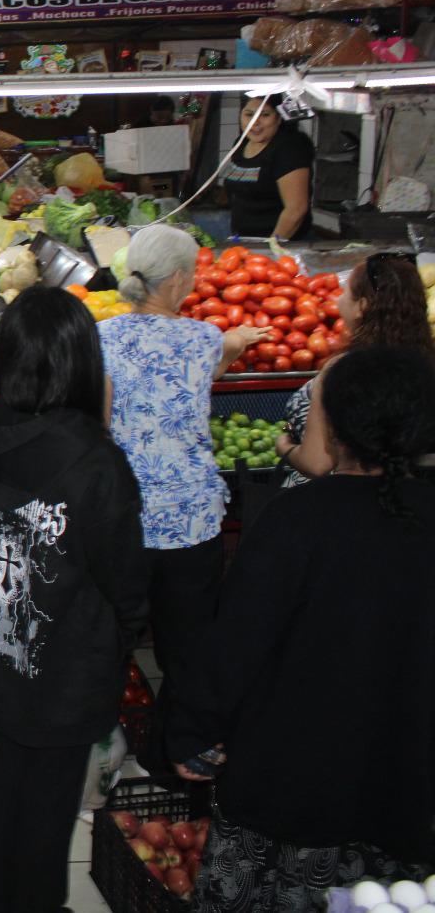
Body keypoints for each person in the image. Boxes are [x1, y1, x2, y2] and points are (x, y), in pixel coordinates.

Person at [171, 346, 435, 912]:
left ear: (335, 426)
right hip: (407, 790)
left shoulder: (296, 520)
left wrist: (190, 731)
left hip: (289, 787)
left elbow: (235, 646)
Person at [0, 287, 151, 913]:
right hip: (66, 662)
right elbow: (125, 577)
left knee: (7, 788)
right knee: (48, 808)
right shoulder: (96, 461)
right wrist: (121, 642)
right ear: (81, 363)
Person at [97, 224, 268, 772]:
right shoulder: (202, 339)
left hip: (124, 517)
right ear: (175, 281)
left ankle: (98, 742)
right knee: (187, 643)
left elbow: (100, 422)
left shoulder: (101, 338)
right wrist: (236, 343)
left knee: (112, 636)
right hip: (190, 519)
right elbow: (203, 372)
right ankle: (184, 751)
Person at [278, 251, 434, 482]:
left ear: (361, 306)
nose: (338, 299)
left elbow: (316, 463)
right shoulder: (427, 364)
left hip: (343, 500)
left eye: (344, 292)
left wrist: (284, 447)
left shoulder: (344, 371)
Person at [222, 94, 314, 239]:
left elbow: (296, 209)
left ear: (278, 118)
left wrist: (271, 248)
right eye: (249, 114)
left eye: (264, 115)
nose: (255, 122)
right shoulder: (241, 143)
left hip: (281, 245)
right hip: (245, 242)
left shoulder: (289, 149)